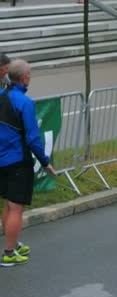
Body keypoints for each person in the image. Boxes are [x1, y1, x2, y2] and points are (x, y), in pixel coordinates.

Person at [0, 59, 56, 267]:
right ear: (24, 77)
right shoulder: (25, 103)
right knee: (16, 207)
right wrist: (45, 162)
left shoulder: (1, 95)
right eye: (30, 73)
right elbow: (33, 138)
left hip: (2, 159)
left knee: (8, 202)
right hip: (17, 161)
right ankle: (9, 252)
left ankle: (12, 241)